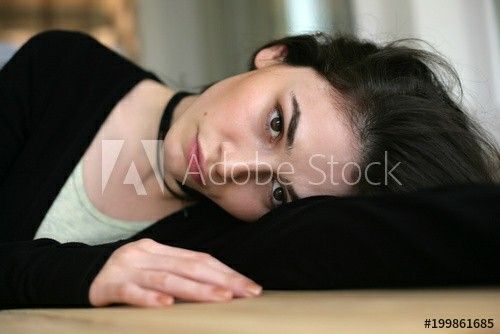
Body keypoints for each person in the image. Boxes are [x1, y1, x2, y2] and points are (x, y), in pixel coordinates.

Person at [0, 30, 498, 309]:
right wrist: (72, 272)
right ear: (276, 56)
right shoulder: (61, 71)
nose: (229, 169)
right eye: (277, 123)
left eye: (279, 193)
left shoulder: (230, 241)